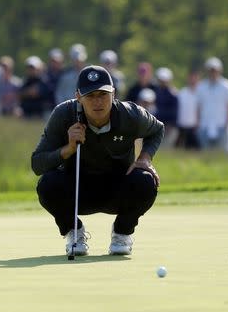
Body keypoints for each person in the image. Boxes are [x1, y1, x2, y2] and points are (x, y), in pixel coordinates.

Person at [32, 65, 164, 256]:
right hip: (78, 192)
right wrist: (68, 149)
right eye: (90, 96)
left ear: (113, 94)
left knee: (145, 180)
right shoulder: (64, 115)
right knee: (47, 184)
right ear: (78, 97)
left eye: (103, 94)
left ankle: (122, 232)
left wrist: (145, 158)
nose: (97, 102)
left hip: (118, 189)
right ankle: (74, 232)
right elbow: (37, 164)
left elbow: (157, 129)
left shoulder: (131, 114)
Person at [196, 57, 228, 153]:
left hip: (222, 125)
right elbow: (198, 107)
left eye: (215, 70)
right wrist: (198, 123)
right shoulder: (201, 86)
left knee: (221, 153)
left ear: (220, 70)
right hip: (205, 125)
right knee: (205, 152)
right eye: (211, 70)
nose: (213, 73)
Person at [154, 67, 178, 147]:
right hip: (157, 126)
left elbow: (174, 112)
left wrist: (170, 125)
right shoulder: (156, 92)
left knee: (166, 149)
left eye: (164, 80)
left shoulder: (173, 94)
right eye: (161, 80)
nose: (163, 82)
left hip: (169, 128)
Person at [176, 70, 200, 149]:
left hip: (196, 127)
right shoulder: (182, 93)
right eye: (191, 78)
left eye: (195, 78)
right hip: (183, 126)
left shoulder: (201, 93)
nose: (193, 80)